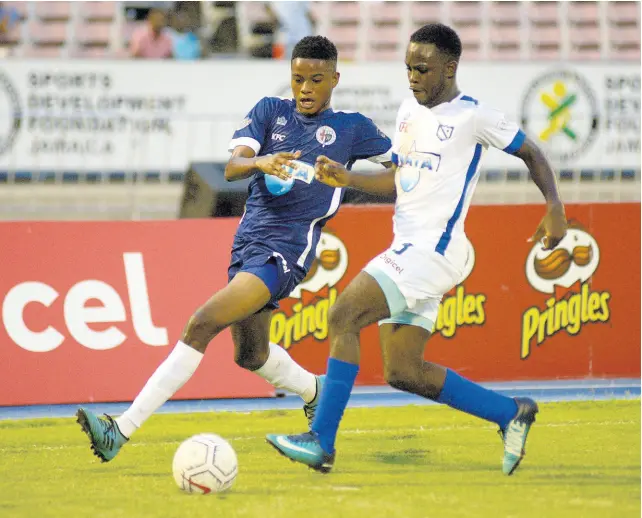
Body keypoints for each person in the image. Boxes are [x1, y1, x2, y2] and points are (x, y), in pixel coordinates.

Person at [266, 23, 568, 476]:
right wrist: (348, 179)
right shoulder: (409, 111)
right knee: (403, 370)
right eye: (408, 68)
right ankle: (510, 413)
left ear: (450, 68)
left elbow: (532, 153)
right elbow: (398, 182)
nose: (413, 77)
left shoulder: (474, 116)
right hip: (411, 247)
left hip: (434, 250)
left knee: (342, 315)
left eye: (423, 69)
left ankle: (321, 441)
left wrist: (554, 205)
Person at [77, 35, 392, 463]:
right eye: (298, 78)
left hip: (285, 250)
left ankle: (121, 429)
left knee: (202, 323)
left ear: (334, 79)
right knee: (251, 355)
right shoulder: (269, 111)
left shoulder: (353, 129)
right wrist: (260, 161)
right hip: (247, 243)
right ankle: (314, 391)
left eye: (316, 80)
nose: (304, 88)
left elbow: (400, 175)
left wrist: (350, 179)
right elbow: (232, 166)